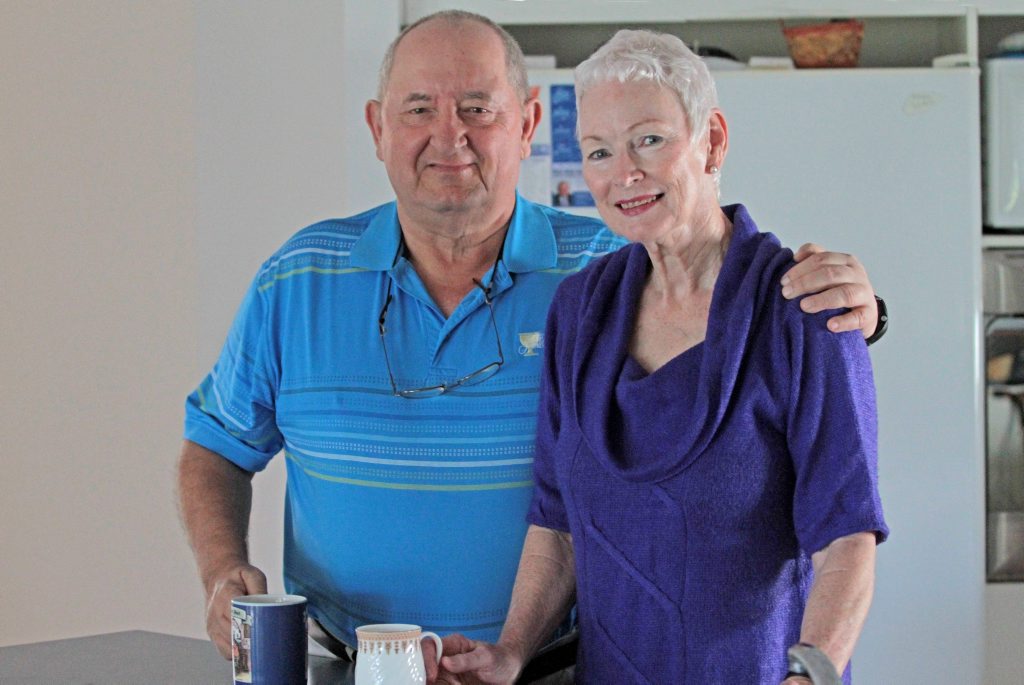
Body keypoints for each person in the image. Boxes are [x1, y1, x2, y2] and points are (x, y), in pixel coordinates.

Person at [176, 10, 885, 679]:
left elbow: (715, 268)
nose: (448, 135)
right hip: (358, 666)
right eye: (419, 108)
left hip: (565, 667)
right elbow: (215, 445)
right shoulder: (299, 279)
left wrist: (864, 311)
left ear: (527, 125)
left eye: (478, 108)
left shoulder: (604, 266)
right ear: (377, 127)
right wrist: (220, 574)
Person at [440, 29, 888, 685]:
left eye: (649, 139)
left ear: (712, 140)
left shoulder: (807, 306)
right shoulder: (577, 311)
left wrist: (810, 671)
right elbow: (557, 523)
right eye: (599, 150)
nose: (625, 172)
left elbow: (846, 536)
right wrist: (510, 651)